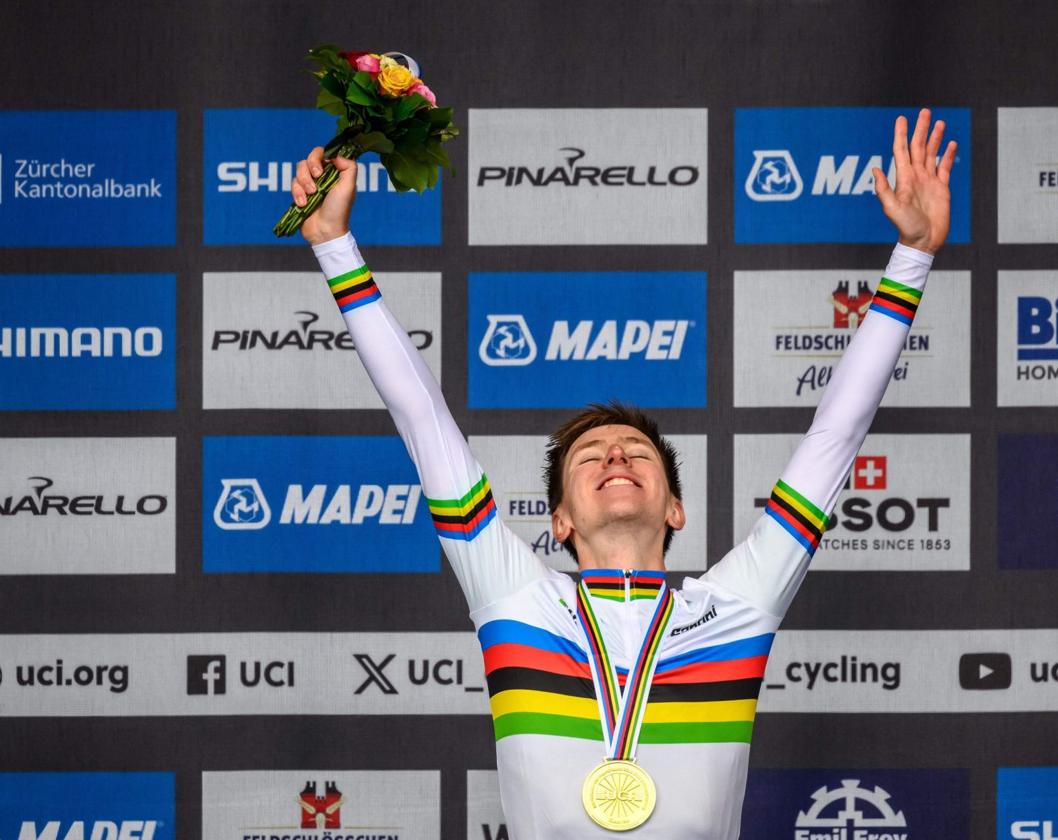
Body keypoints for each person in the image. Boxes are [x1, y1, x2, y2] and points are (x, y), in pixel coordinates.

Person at [291, 108, 956, 839]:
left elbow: (836, 435)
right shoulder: (513, 598)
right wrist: (333, 246)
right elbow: (423, 420)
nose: (615, 456)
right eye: (591, 456)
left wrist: (912, 257)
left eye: (638, 454)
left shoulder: (737, 605)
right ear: (560, 521)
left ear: (676, 510)